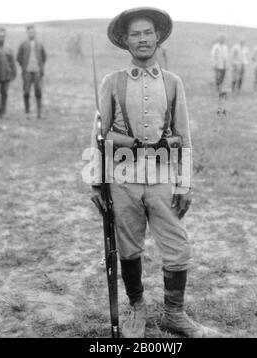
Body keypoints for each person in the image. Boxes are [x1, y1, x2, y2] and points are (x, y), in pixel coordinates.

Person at [90, 7, 222, 338]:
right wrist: (96, 181)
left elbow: (185, 137)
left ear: (158, 37)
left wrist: (185, 183)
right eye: (135, 34)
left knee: (178, 247)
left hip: (164, 178)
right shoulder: (112, 82)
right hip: (123, 182)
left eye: (148, 32)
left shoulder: (173, 83)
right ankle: (137, 309)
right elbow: (98, 134)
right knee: (129, 247)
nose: (142, 39)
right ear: (125, 41)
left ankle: (175, 315)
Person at [17, 25, 47, 119]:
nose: (31, 33)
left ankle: (39, 113)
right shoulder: (23, 44)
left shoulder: (39, 44)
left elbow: (44, 56)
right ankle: (27, 112)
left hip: (37, 71)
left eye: (33, 32)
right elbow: (18, 57)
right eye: (30, 32)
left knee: (38, 92)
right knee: (26, 92)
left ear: (35, 32)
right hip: (27, 72)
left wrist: (40, 66)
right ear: (27, 33)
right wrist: (24, 66)